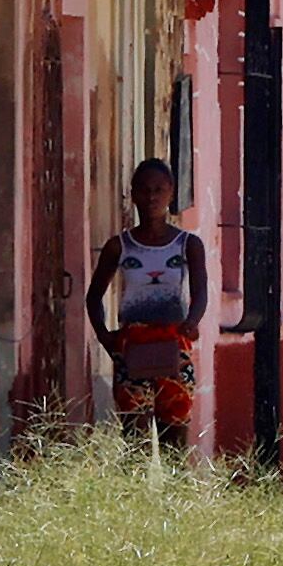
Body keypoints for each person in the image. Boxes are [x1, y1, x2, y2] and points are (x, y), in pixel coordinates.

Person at [88, 161, 209, 451]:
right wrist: (107, 338)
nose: (151, 197)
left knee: (175, 442)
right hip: (133, 348)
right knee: (135, 442)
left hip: (174, 347)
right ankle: (136, 495)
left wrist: (192, 321)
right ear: (134, 195)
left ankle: (174, 497)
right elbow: (94, 297)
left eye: (158, 190)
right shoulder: (120, 246)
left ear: (170, 193)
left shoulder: (188, 244)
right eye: (144, 190)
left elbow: (200, 292)